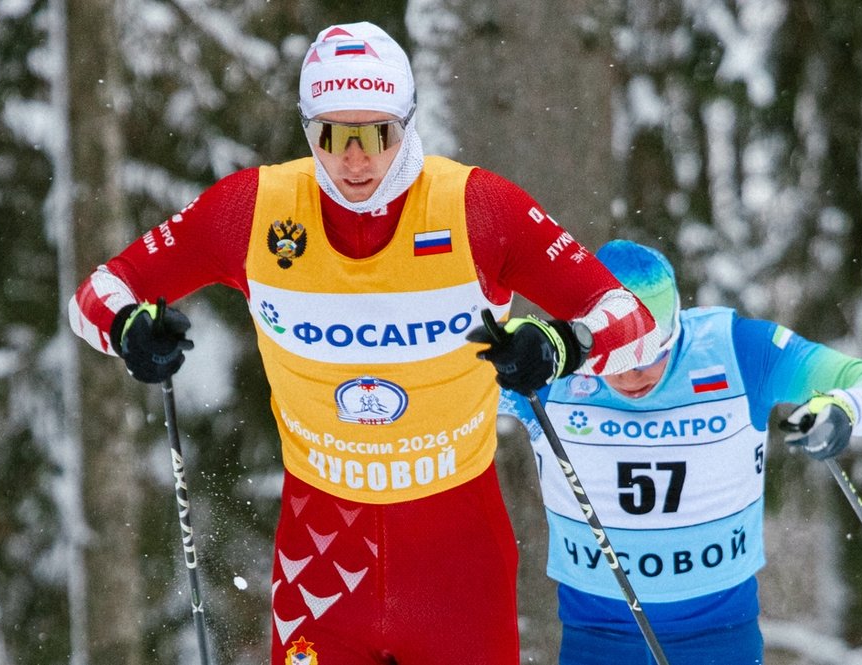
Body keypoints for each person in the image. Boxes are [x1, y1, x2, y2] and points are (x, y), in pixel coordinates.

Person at [68, 22, 667, 663]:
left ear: (407, 123)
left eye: (377, 133)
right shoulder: (253, 211)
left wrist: (558, 346)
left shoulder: (477, 209)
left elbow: (632, 325)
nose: (356, 159)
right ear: (308, 130)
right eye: (334, 134)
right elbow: (96, 297)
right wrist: (129, 330)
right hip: (321, 563)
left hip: (456, 562)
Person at [500, 239, 862, 664]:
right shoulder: (545, 364)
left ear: (675, 325)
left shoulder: (738, 349)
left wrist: (846, 410)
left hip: (717, 634)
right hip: (597, 634)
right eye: (611, 358)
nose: (631, 374)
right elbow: (444, 388)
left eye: (649, 353)